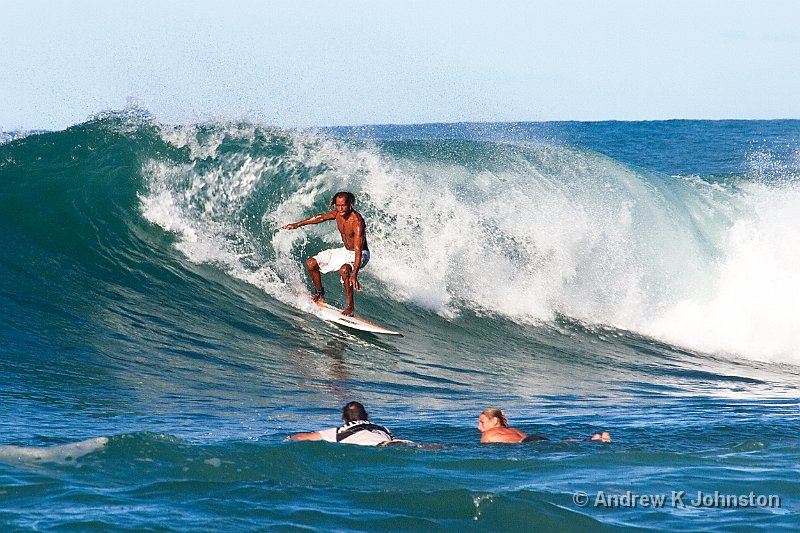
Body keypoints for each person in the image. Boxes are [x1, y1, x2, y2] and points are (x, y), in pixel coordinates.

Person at [280, 191, 369, 316]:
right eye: (337, 205)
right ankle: (319, 293)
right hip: (345, 250)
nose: (340, 208)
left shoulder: (357, 222)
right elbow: (320, 217)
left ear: (350, 204)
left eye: (343, 205)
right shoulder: (338, 213)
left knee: (344, 270)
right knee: (311, 263)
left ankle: (350, 307)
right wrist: (297, 224)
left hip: (361, 254)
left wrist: (354, 274)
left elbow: (358, 250)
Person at [287, 401, 400, 446]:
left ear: (344, 419)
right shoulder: (382, 428)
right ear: (366, 416)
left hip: (370, 445)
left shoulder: (339, 432)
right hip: (389, 443)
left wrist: (289, 438)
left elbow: (303, 437)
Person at [478, 407, 611, 444]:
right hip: (534, 438)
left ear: (495, 421)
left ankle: (593, 440)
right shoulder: (513, 430)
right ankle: (591, 440)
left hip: (528, 445)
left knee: (560, 446)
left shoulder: (488, 434)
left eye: (482, 422)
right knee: (559, 443)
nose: (479, 427)